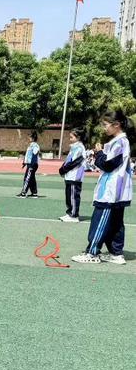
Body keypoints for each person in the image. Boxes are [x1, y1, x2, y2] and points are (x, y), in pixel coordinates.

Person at [72, 110, 133, 265]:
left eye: (105, 125)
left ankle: (92, 252)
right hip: (119, 191)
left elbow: (107, 164)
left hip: (111, 191)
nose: (103, 128)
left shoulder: (119, 142)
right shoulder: (120, 141)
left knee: (100, 220)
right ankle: (116, 253)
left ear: (116, 125)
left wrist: (99, 154)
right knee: (116, 223)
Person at [59, 129, 87, 223]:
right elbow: (68, 160)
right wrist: (63, 168)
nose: (70, 139)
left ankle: (74, 215)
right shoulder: (74, 147)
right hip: (69, 175)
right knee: (69, 196)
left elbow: (75, 162)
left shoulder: (80, 147)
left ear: (78, 137)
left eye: (72, 137)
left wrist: (64, 169)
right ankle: (70, 212)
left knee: (74, 196)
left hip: (75, 176)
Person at [17, 131, 41, 198]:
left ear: (33, 138)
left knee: (27, 178)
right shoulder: (31, 145)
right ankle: (34, 193)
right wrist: (25, 162)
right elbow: (28, 155)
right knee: (31, 178)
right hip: (30, 164)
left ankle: (23, 193)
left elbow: (34, 154)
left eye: (30, 137)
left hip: (32, 165)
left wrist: (31, 165)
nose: (28, 138)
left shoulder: (35, 145)